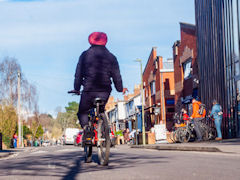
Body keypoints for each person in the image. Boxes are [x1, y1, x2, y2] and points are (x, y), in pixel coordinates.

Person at [71, 32, 128, 142]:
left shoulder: (84, 55)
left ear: (90, 41)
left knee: (82, 112)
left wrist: (77, 88)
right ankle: (103, 123)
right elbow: (117, 76)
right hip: (105, 91)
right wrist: (120, 89)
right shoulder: (112, 57)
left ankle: (87, 130)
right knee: (101, 108)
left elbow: (78, 74)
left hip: (89, 90)